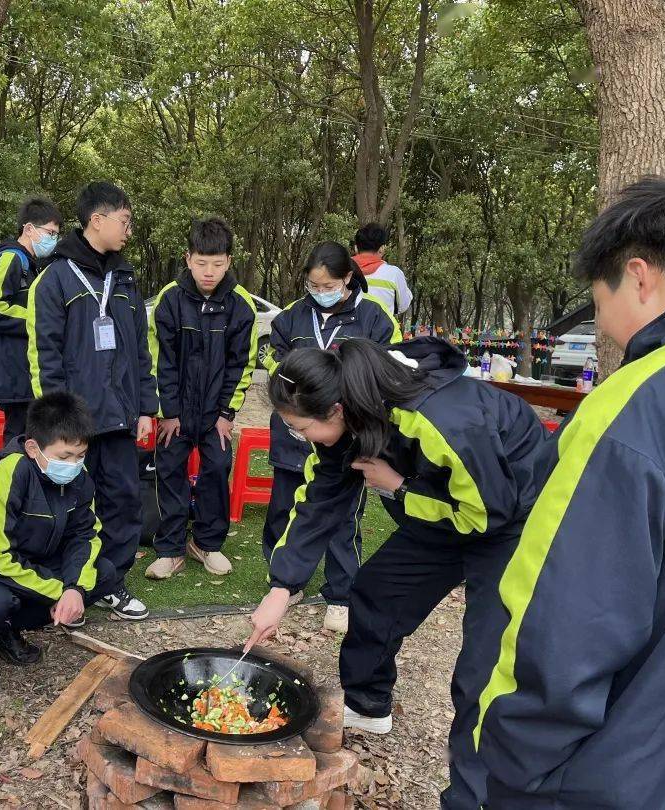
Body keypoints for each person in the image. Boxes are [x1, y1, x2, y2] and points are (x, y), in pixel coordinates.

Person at [474, 179, 665, 809]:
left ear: (639, 277)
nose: (604, 324)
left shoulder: (637, 402)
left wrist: (511, 768)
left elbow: (563, 622)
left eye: (599, 301)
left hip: (628, 776)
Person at [248, 338, 545, 810]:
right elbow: (320, 501)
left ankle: (477, 798)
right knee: (376, 594)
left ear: (337, 409)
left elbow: (489, 513)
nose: (301, 437)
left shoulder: (442, 419)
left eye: (302, 428)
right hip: (442, 505)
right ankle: (368, 708)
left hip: (511, 519)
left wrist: (400, 487)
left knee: (484, 668)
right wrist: (282, 587)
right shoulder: (349, 416)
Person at [0, 392, 115, 692]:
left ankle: (5, 628)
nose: (74, 464)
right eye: (64, 456)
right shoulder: (7, 471)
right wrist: (60, 590)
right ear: (32, 447)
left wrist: (75, 588)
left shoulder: (79, 477)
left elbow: (85, 535)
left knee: (103, 574)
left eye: (80, 456)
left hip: (25, 558)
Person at [26, 181, 155, 620]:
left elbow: (140, 349)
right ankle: (69, 587)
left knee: (122, 500)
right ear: (97, 220)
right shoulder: (54, 279)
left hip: (120, 416)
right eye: (124, 220)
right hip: (75, 424)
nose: (129, 231)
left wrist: (145, 409)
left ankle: (111, 584)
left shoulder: (125, 278)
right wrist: (58, 422)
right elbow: (45, 354)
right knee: (74, 506)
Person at [260, 241, 402, 632]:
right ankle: (287, 583)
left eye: (327, 285)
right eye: (312, 284)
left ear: (348, 280)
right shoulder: (292, 317)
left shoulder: (375, 317)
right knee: (293, 503)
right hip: (302, 421)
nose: (319, 292)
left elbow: (387, 368)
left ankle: (340, 593)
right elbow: (274, 360)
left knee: (343, 512)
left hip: (346, 429)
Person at [144, 217, 258, 580]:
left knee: (217, 470)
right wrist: (168, 412)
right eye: (201, 263)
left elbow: (243, 364)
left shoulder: (241, 306)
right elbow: (158, 359)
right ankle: (170, 548)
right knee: (169, 471)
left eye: (218, 264)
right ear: (187, 258)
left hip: (215, 415)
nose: (209, 272)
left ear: (229, 261)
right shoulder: (170, 299)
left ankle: (207, 544)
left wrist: (226, 413)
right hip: (175, 414)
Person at [0, 197, 63, 441]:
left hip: (23, 370)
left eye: (56, 234)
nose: (53, 239)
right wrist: (37, 320)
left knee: (30, 437)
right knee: (17, 439)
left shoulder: (33, 263)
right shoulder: (11, 258)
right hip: (11, 369)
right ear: (28, 229)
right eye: (50, 232)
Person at [352, 223, 412, 318]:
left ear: (356, 248)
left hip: (348, 331)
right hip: (383, 331)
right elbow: (403, 306)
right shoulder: (394, 274)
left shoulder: (341, 270)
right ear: (381, 249)